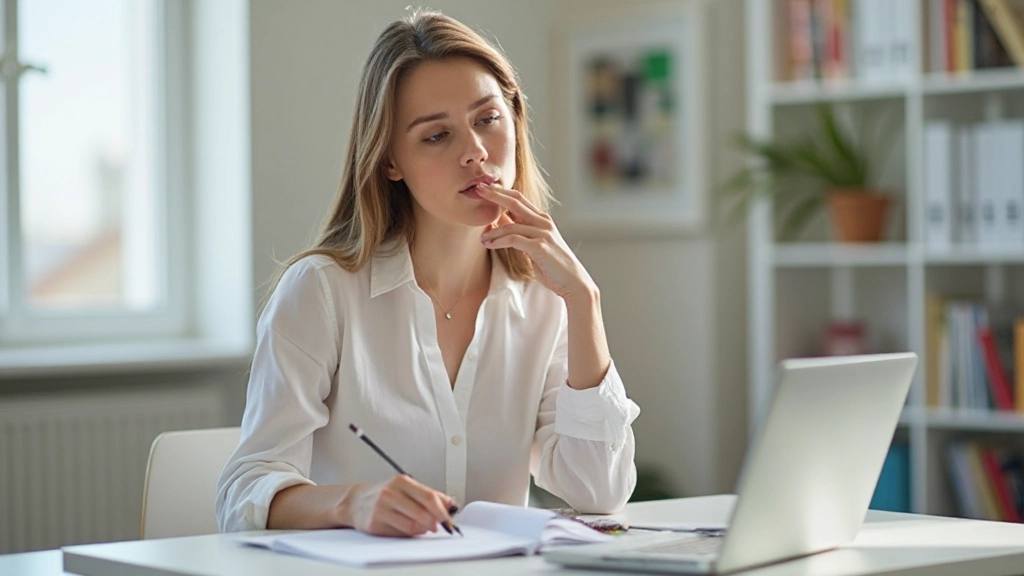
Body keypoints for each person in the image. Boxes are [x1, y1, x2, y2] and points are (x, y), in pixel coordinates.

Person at [215, 9, 640, 538]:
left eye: (487, 119)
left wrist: (584, 302)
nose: (476, 152)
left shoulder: (545, 298)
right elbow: (243, 492)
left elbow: (598, 490)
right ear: (390, 160)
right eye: (437, 136)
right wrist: (353, 504)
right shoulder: (322, 292)